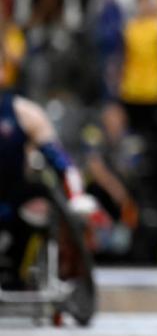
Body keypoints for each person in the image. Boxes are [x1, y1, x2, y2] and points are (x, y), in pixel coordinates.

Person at [0, 44, 100, 287]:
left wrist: (76, 196)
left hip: (11, 195)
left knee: (43, 198)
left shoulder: (24, 113)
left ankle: (18, 271)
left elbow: (63, 163)